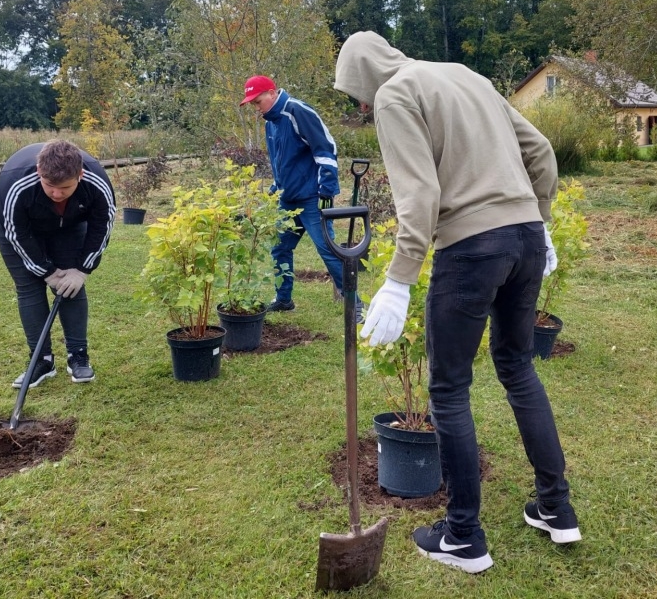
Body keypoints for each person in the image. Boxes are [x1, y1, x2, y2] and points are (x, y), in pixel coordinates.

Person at [334, 31, 580, 574]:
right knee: (518, 367)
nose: (362, 106)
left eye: (356, 95)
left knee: (448, 389)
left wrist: (398, 280)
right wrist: (539, 221)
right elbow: (540, 152)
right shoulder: (465, 75)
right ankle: (556, 509)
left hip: (472, 249)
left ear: (364, 77)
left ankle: (463, 536)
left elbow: (420, 195)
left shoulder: (394, 95)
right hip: (524, 238)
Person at [0, 140, 115, 388]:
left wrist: (82, 269)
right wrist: (46, 271)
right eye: (50, 186)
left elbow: (102, 226)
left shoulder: (96, 181)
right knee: (29, 286)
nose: (57, 194)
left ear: (80, 175)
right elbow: (16, 234)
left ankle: (78, 356)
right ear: (39, 171)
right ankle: (41, 361)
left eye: (65, 187)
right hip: (20, 229)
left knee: (70, 286)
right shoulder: (16, 184)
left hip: (70, 223)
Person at [240, 75, 360, 318]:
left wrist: (326, 189)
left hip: (312, 198)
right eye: (252, 104)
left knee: (328, 250)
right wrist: (276, 187)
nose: (256, 108)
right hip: (288, 200)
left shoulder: (297, 111)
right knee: (280, 248)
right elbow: (281, 161)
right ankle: (284, 299)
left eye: (258, 101)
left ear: (272, 93)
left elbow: (326, 148)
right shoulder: (271, 122)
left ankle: (355, 304)